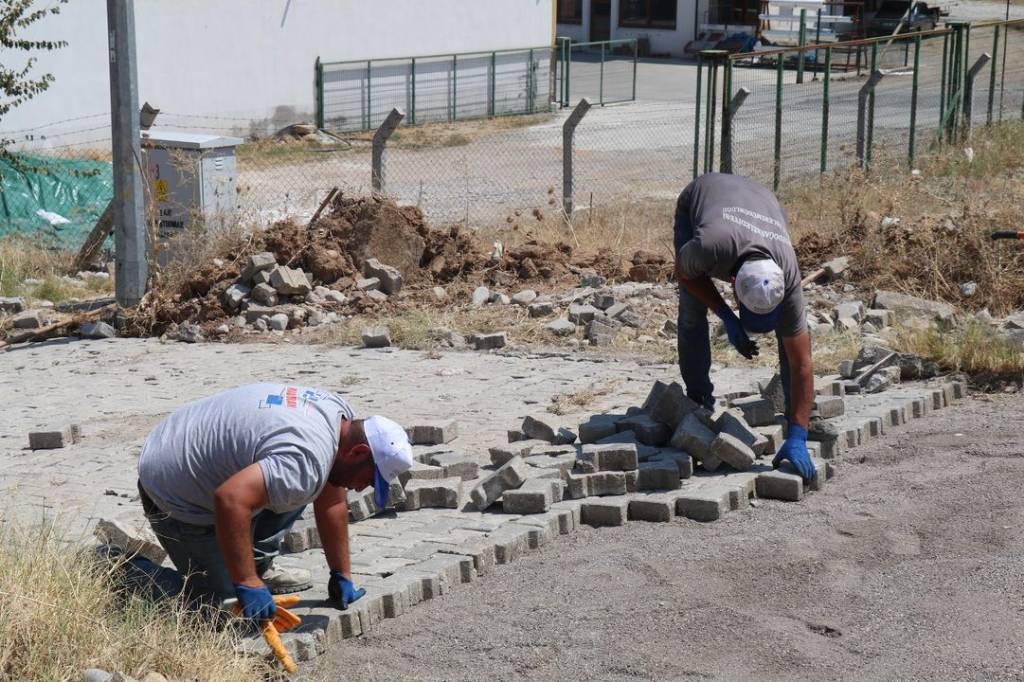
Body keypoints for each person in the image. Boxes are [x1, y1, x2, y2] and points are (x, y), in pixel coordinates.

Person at [136, 383, 414, 623]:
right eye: (368, 478)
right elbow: (230, 499)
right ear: (358, 451)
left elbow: (331, 501)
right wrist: (246, 582)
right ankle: (121, 569)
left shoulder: (338, 419)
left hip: (192, 445)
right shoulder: (304, 460)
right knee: (220, 611)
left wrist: (341, 573)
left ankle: (255, 564)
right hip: (174, 485)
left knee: (302, 484)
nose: (361, 487)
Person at [673, 173, 815, 480]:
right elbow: (685, 274)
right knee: (692, 312)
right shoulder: (708, 247)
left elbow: (802, 361)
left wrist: (799, 435)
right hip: (705, 194)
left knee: (793, 337)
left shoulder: (787, 275)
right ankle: (698, 401)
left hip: (763, 200)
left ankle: (797, 426)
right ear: (733, 284)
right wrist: (724, 314)